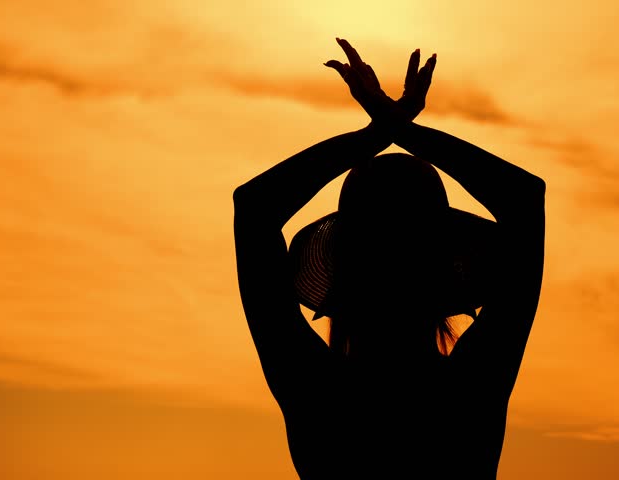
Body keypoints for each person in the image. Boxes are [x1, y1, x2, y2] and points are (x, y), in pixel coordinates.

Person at [233, 38, 546, 480]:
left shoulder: (315, 390)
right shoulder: (471, 387)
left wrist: (378, 132)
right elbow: (524, 199)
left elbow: (254, 208)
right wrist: (401, 128)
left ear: (342, 266)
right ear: (443, 266)